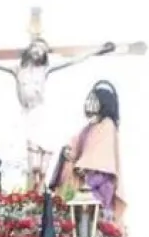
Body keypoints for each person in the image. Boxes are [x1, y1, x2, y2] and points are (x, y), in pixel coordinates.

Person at [50, 81, 125, 222]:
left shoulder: (107, 126)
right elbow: (75, 146)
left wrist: (83, 167)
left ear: (103, 102)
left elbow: (101, 162)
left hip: (97, 185)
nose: (89, 103)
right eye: (88, 99)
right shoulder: (88, 128)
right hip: (83, 182)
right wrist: (66, 153)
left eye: (93, 100)